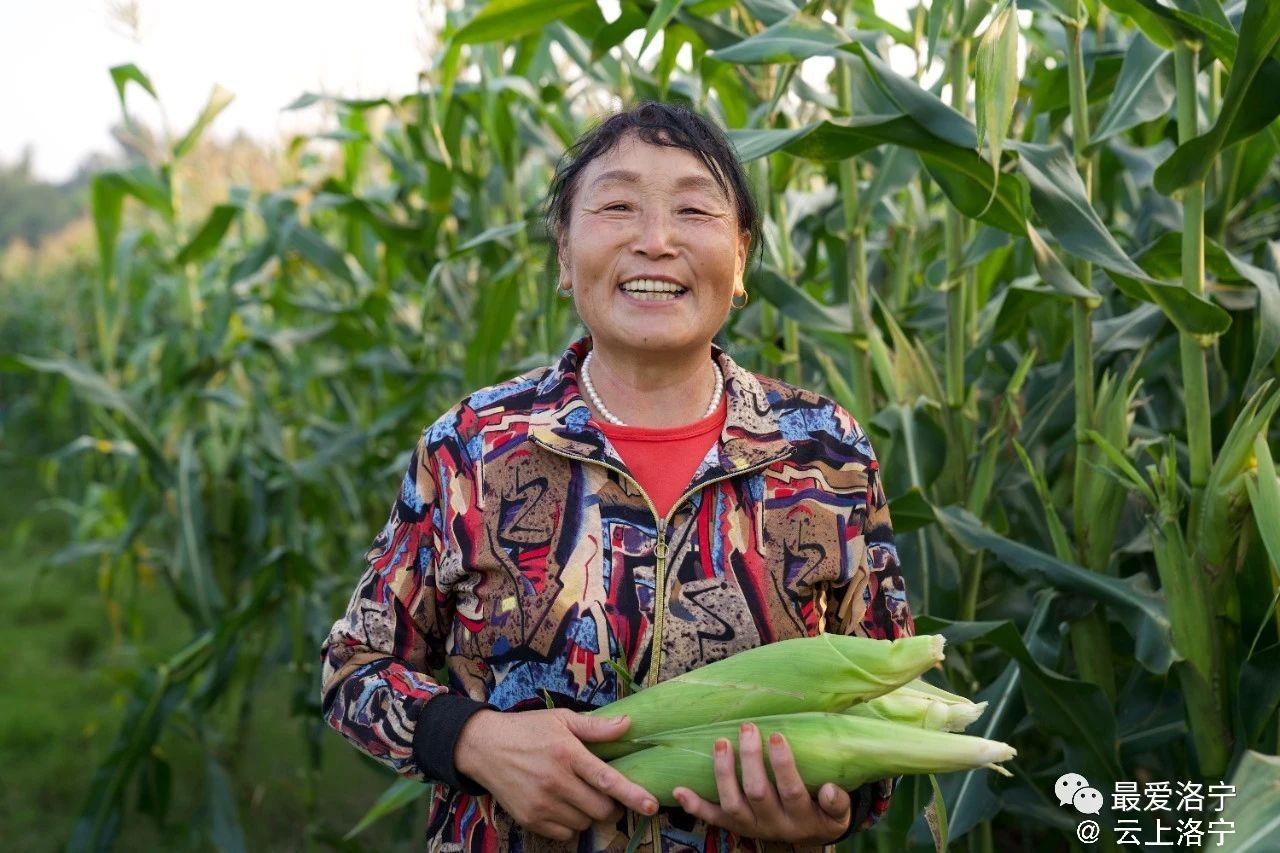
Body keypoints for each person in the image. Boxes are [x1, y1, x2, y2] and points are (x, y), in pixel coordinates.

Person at [320, 101, 915, 852]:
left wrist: (836, 809)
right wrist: (472, 740)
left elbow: (888, 701)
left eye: (693, 210)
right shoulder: (471, 448)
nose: (655, 241)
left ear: (740, 259)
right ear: (565, 257)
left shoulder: (825, 453)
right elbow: (354, 668)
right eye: (617, 207)